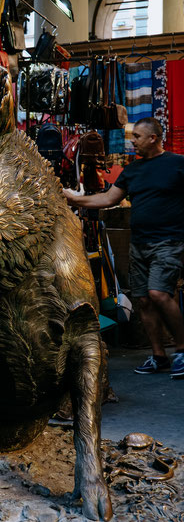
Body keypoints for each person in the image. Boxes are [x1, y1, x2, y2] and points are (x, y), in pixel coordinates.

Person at [63, 117, 184, 378]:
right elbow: (108, 198)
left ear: (153, 138)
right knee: (143, 300)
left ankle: (182, 351)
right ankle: (158, 356)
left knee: (159, 293)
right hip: (139, 243)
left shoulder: (177, 165)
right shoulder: (133, 170)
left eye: (137, 137)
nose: (133, 142)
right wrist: (74, 198)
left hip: (169, 242)